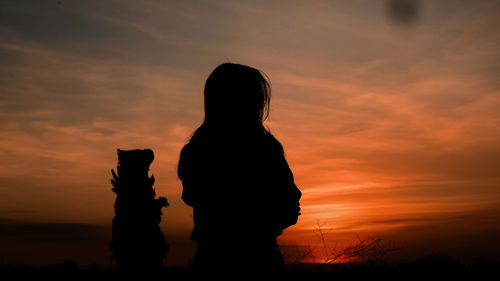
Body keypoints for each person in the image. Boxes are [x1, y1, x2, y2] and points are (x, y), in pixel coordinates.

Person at [177, 63, 301, 278]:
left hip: (215, 258)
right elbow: (290, 202)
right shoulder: (265, 148)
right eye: (257, 96)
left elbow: (193, 195)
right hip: (258, 258)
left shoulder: (197, 150)